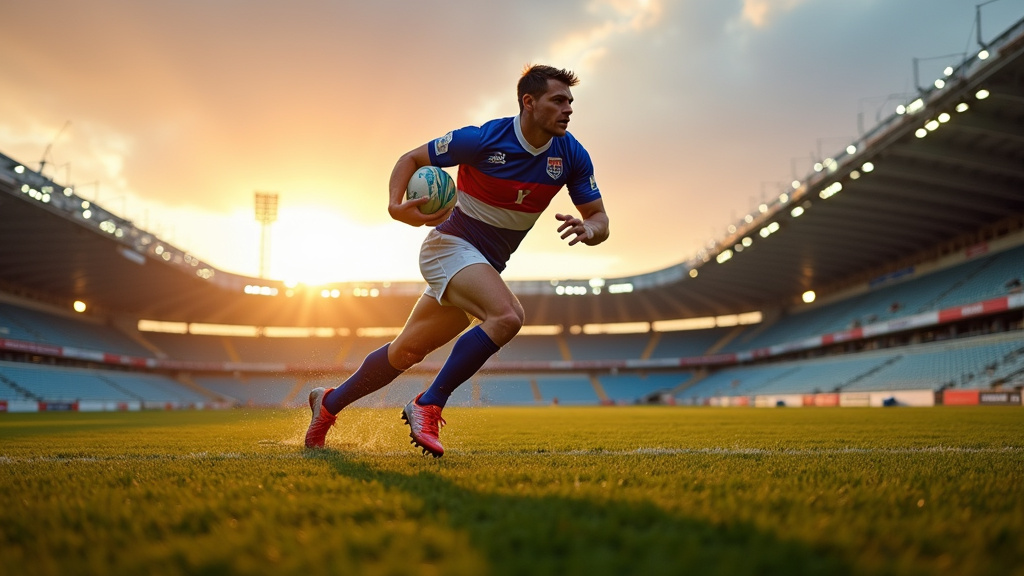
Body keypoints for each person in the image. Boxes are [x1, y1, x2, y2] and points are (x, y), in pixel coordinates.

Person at [304, 64, 610, 457]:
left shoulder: (571, 155)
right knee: (507, 316)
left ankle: (327, 404)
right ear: (528, 102)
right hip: (449, 245)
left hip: (482, 264)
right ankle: (428, 404)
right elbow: (410, 158)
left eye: (570, 101)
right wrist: (397, 207)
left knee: (406, 353)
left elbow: (600, 219)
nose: (568, 109)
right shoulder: (482, 139)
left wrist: (590, 230)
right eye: (558, 100)